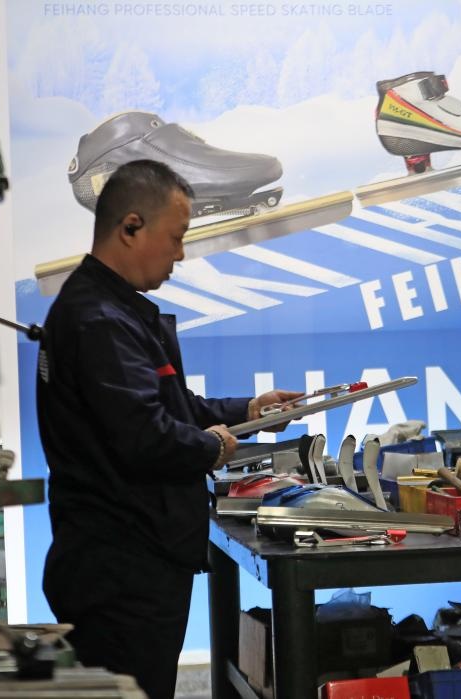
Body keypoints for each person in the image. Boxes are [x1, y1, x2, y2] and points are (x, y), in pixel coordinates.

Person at [36, 159, 302, 699]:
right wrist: (212, 446)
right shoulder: (100, 320)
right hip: (121, 570)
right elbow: (146, 437)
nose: (180, 254)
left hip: (127, 560)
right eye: (176, 237)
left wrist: (250, 410)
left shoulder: (114, 311)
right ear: (131, 227)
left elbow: (172, 408)